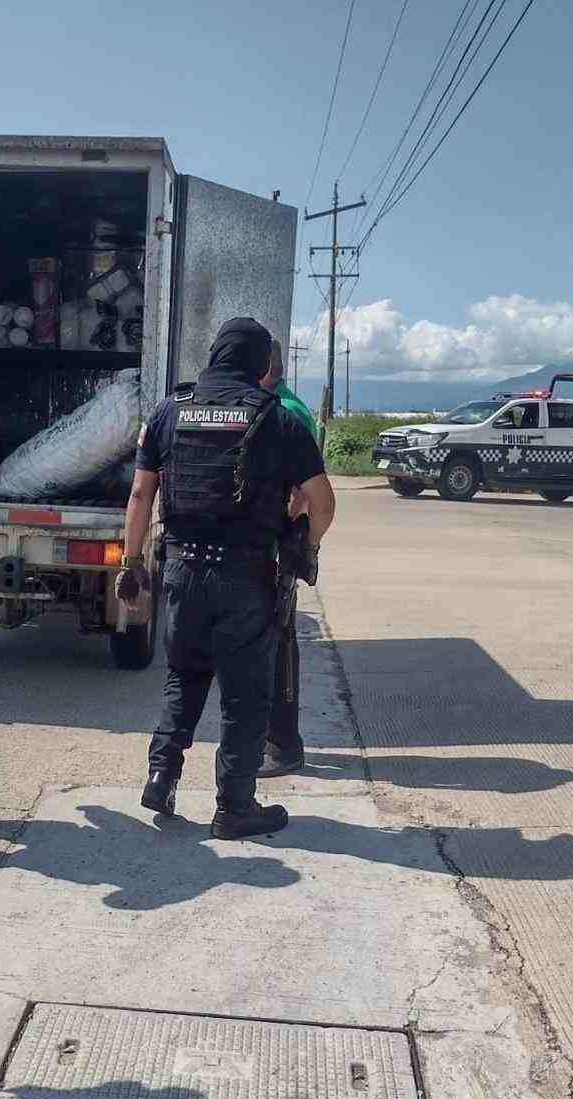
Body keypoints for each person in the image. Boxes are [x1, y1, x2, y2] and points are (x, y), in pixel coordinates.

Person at [117, 318, 335, 839]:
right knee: (244, 692)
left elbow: (141, 495)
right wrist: (307, 547)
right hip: (247, 575)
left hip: (183, 569)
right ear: (263, 366)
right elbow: (324, 504)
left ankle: (162, 776)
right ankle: (234, 807)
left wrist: (131, 563)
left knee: (184, 675)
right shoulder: (279, 421)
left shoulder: (170, 411)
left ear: (214, 356)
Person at [257, 340, 319, 778]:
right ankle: (272, 738)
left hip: (280, 547)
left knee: (279, 644)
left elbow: (305, 495)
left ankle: (284, 744)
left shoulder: (286, 414)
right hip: (278, 545)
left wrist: (303, 549)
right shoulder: (282, 406)